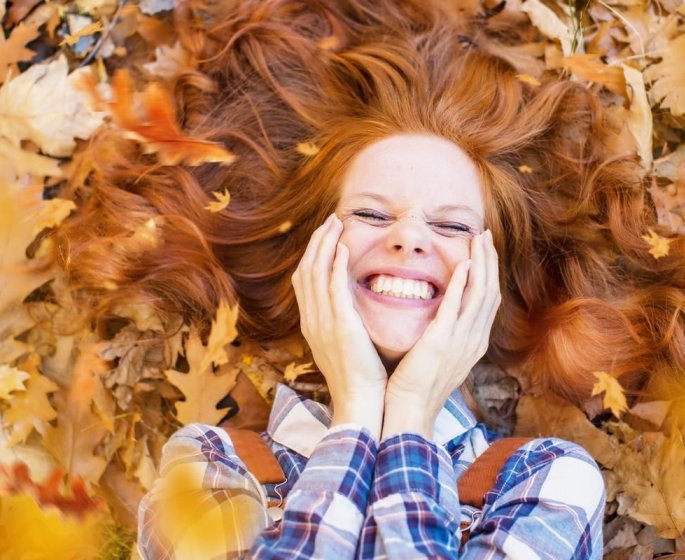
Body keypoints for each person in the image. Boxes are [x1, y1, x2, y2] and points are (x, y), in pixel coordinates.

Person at [54, 0, 685, 558]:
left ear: (491, 279)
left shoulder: (547, 480)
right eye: (371, 214)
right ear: (310, 254)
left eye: (452, 226)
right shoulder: (208, 467)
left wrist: (405, 414)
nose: (409, 238)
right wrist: (357, 412)